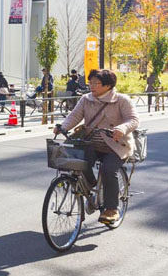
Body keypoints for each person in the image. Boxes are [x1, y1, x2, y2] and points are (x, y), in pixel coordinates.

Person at [54, 67, 139, 226]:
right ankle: (93, 189)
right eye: (90, 83)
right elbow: (74, 116)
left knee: (107, 170)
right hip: (91, 143)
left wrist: (122, 128)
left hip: (116, 146)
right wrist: (63, 127)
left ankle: (112, 209)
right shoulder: (86, 99)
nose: (92, 86)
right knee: (76, 162)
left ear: (108, 85)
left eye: (96, 83)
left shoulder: (122, 100)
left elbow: (133, 120)